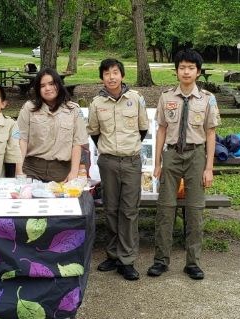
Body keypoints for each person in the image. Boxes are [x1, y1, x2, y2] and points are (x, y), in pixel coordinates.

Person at [147, 49, 220, 280]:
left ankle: (193, 262)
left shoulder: (207, 99)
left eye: (191, 68)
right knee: (165, 209)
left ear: (198, 72)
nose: (186, 71)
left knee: (195, 210)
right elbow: (161, 129)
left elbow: (210, 134)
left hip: (196, 155)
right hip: (171, 155)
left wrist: (209, 168)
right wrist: (157, 162)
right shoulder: (166, 97)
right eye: (182, 67)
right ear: (176, 71)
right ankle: (161, 260)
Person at [87, 58, 149, 281]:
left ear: (122, 75)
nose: (111, 77)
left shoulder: (136, 99)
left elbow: (143, 129)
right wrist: (110, 150)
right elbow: (94, 132)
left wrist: (127, 148)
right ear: (102, 77)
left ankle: (127, 259)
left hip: (131, 161)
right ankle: (112, 255)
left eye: (115, 72)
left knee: (129, 211)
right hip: (108, 162)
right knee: (111, 209)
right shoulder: (96, 103)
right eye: (106, 73)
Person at [17, 68, 88, 182]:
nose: (47, 88)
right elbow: (22, 139)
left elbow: (77, 143)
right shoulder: (28, 108)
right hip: (31, 169)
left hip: (61, 172)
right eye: (42, 85)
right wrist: (19, 171)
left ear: (59, 85)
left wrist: (73, 173)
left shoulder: (74, 110)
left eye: (51, 84)